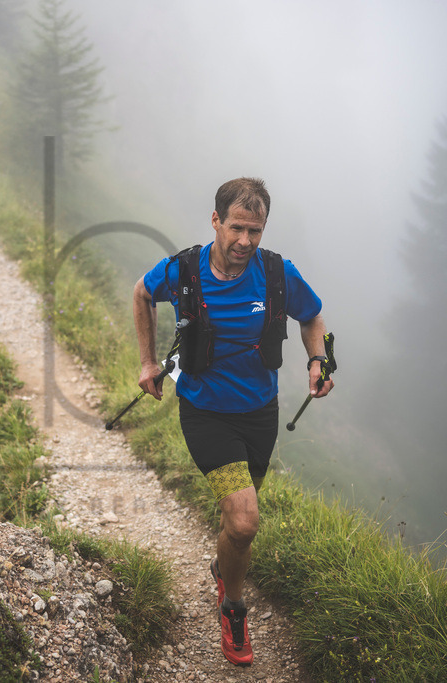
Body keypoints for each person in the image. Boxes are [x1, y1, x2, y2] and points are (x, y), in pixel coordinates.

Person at [132, 177, 334, 666]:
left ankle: (224, 567)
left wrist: (317, 360)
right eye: (237, 228)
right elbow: (141, 293)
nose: (245, 241)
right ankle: (233, 607)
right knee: (244, 522)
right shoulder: (184, 270)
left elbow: (312, 317)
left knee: (236, 524)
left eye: (255, 231)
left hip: (261, 413)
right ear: (216, 221)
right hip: (205, 413)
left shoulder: (277, 273)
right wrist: (148, 361)